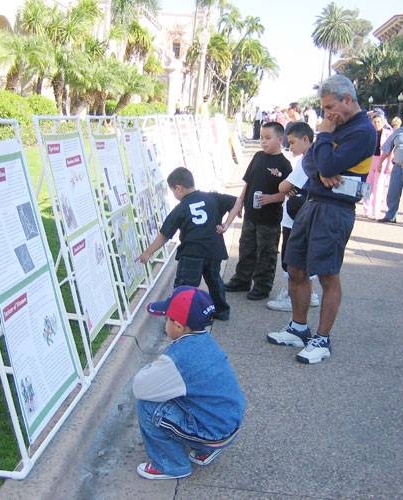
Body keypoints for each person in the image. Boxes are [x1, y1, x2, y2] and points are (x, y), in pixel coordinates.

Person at [265, 74, 375, 365]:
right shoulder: (337, 126)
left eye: (329, 107)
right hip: (313, 203)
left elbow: (325, 161)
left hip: (335, 209)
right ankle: (298, 328)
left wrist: (324, 138)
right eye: (325, 109)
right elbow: (311, 161)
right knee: (295, 267)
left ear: (347, 99)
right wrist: (324, 169)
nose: (327, 115)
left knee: (327, 274)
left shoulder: (362, 130)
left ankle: (322, 339)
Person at [134, 286, 245, 480]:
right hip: (231, 425)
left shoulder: (179, 358)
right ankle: (205, 450)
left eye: (167, 318)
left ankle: (171, 465)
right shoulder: (204, 339)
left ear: (178, 326)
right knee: (191, 397)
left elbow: (140, 388)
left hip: (212, 434)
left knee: (147, 406)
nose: (165, 322)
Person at [138, 167, 237, 320]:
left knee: (185, 286)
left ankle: (178, 317)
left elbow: (165, 235)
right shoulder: (212, 197)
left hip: (192, 253)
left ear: (179, 188)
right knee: (214, 281)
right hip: (214, 250)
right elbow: (237, 202)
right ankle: (221, 311)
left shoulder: (181, 207)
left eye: (173, 191)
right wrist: (226, 224)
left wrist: (148, 253)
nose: (174, 195)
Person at [223, 121, 292, 300]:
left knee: (266, 253)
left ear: (280, 140)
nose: (263, 141)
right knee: (246, 248)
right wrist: (240, 202)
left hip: (269, 219)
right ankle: (242, 280)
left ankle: (262, 286)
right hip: (251, 215)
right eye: (261, 138)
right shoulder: (258, 157)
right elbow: (248, 183)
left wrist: (271, 198)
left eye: (268, 138)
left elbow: (286, 194)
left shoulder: (284, 165)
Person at [265, 121, 320, 311]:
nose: (291, 147)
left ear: (305, 139)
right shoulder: (318, 158)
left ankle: (292, 296)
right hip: (307, 215)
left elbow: (283, 186)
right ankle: (309, 294)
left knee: (291, 258)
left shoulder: (306, 161)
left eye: (292, 142)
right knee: (305, 257)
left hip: (295, 218)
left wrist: (286, 186)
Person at [362, 110, 393, 219]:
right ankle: (367, 210)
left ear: (382, 122)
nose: (377, 124)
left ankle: (376, 211)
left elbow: (391, 150)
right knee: (367, 185)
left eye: (379, 122)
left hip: (381, 160)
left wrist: (390, 163)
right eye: (375, 122)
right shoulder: (369, 133)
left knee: (378, 187)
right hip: (370, 160)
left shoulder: (388, 133)